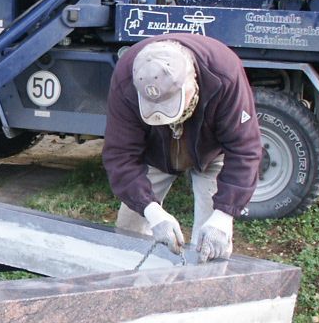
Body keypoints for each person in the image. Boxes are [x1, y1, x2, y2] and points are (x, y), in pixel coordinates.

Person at [102, 33, 261, 262]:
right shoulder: (126, 79)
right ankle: (138, 290)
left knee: (211, 245)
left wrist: (224, 215)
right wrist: (152, 212)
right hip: (155, 153)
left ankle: (203, 293)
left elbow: (245, 149)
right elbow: (120, 156)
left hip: (209, 152)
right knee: (128, 238)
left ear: (192, 81)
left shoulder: (224, 72)